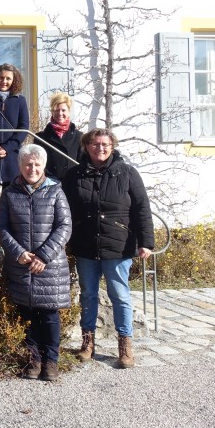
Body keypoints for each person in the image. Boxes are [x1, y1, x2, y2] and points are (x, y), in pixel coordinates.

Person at [61, 128, 155, 369]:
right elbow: (65, 211)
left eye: (104, 144)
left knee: (120, 296)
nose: (99, 148)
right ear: (86, 146)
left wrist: (146, 242)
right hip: (86, 245)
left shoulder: (127, 173)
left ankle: (124, 345)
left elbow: (142, 208)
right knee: (88, 295)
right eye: (94, 144)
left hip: (119, 245)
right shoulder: (74, 175)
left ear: (112, 146)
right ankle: (88, 343)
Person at [0, 144, 72, 381]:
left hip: (49, 266)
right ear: (20, 166)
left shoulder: (56, 191)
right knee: (27, 314)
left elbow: (64, 226)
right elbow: (1, 227)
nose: (33, 168)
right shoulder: (10, 193)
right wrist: (18, 252)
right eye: (28, 164)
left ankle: (51, 361)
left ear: (44, 166)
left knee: (49, 316)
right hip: (21, 266)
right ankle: (33, 360)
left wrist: (43, 256)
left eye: (37, 164)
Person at [0, 63, 29, 227]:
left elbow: (23, 128)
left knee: (13, 201)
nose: (4, 81)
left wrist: (7, 148)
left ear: (14, 80)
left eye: (8, 78)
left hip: (11, 158)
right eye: (1, 77)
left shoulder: (20, 100)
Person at [34, 92, 84, 181]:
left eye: (63, 110)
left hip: (72, 183)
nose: (60, 113)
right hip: (50, 184)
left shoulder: (78, 136)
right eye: (56, 110)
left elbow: (82, 162)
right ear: (52, 112)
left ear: (69, 111)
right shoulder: (41, 137)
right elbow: (38, 163)